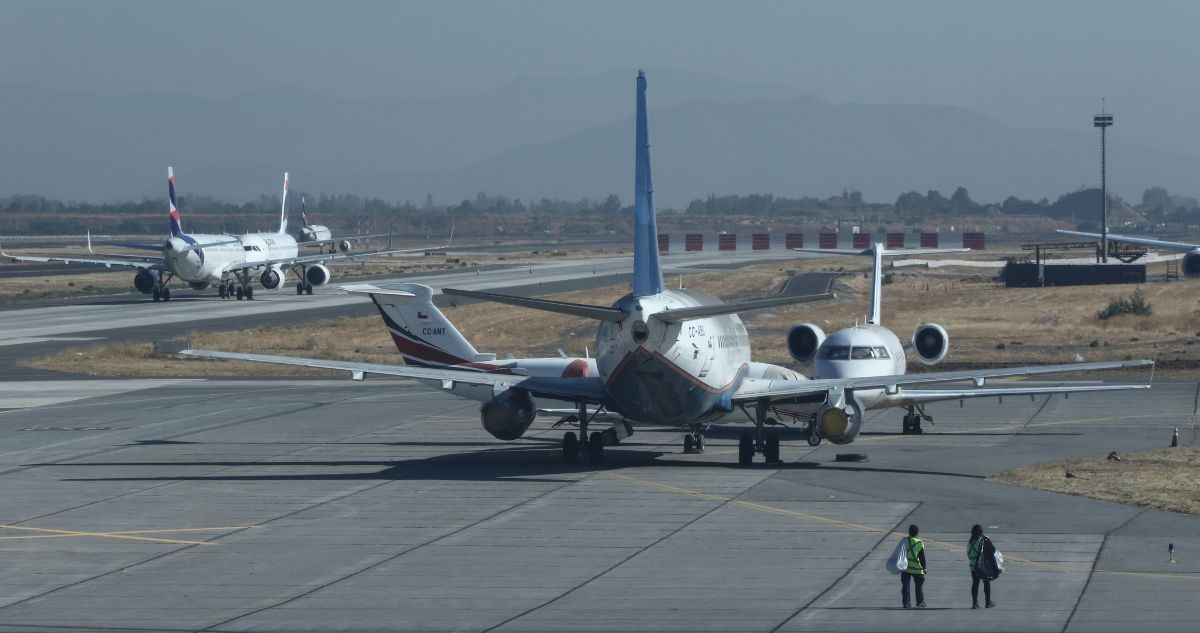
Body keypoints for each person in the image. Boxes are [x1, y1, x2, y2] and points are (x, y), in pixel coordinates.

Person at [968, 524, 996, 608]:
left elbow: (968, 553)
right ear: (980, 533)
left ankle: (974, 603)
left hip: (973, 566)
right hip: (982, 566)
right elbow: (993, 550)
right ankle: (988, 602)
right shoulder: (982, 541)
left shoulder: (970, 542)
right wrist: (987, 540)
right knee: (986, 582)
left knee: (975, 584)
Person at [901, 524, 927, 608]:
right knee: (919, 587)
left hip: (906, 568)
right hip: (917, 569)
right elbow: (922, 558)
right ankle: (919, 601)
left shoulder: (904, 541)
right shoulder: (919, 542)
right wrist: (924, 568)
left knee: (905, 586)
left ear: (909, 532)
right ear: (917, 533)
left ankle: (906, 602)